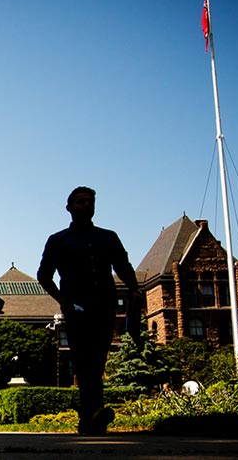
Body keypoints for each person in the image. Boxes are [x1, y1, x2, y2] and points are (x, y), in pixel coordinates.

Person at [37, 186, 141, 435]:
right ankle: (92, 412)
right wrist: (62, 300)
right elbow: (44, 275)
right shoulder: (58, 240)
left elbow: (123, 267)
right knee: (84, 361)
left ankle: (90, 415)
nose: (87, 205)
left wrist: (134, 289)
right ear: (69, 207)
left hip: (104, 307)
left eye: (90, 202)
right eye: (81, 201)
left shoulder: (108, 237)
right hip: (76, 309)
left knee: (97, 360)